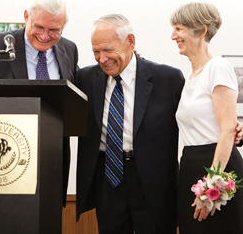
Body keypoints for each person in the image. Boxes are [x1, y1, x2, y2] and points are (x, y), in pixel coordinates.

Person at [0, 0, 79, 206]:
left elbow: (79, 90)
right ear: (26, 16)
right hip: (1, 160)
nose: (46, 36)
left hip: (51, 160)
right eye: (39, 27)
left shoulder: (69, 49)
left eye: (54, 30)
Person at [76, 14, 185, 233]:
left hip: (152, 183)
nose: (102, 58)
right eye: (96, 51)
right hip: (108, 177)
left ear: (131, 42)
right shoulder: (85, 79)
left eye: (108, 49)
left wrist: (232, 130)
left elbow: (193, 119)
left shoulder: (168, 79)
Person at [170, 2, 243, 234]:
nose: (173, 35)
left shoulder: (218, 66)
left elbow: (227, 130)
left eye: (179, 28)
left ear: (201, 31)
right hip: (190, 165)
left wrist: (211, 186)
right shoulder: (191, 76)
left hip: (217, 167)